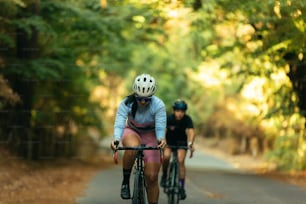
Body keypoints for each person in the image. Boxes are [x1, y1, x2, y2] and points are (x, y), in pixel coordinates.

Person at [110, 73, 167, 204]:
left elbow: (160, 126)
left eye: (147, 99)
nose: (142, 102)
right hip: (132, 131)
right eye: (140, 98)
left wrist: (161, 139)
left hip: (151, 135)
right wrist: (116, 139)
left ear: (151, 97)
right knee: (133, 148)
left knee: (152, 177)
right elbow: (119, 123)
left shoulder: (158, 105)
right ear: (135, 95)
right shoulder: (126, 103)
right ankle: (125, 181)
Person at [160, 99, 195, 200]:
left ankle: (181, 187)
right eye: (178, 111)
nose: (180, 113)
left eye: (182, 111)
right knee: (166, 157)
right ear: (174, 111)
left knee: (180, 161)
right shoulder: (169, 118)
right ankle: (164, 175)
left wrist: (190, 143)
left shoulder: (187, 119)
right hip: (169, 142)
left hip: (181, 143)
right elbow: (163, 130)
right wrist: (163, 141)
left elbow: (191, 132)